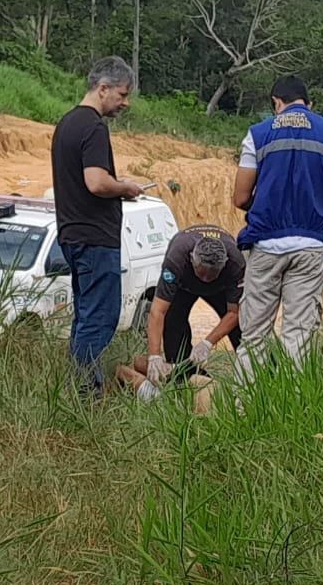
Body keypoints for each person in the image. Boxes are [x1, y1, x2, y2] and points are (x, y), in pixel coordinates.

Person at [233, 76, 323, 366]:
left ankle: (244, 395)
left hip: (265, 244)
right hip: (311, 247)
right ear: (308, 104)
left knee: (253, 336)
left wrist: (265, 204)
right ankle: (293, 395)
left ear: (276, 102)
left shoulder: (257, 134)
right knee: (298, 336)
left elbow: (240, 197)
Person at [50, 57, 144, 394]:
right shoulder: (93, 127)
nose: (124, 102)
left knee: (86, 315)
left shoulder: (66, 123)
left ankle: (77, 387)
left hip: (72, 234)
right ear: (103, 88)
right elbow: (96, 182)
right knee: (100, 317)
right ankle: (86, 391)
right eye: (122, 94)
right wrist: (125, 187)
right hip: (95, 238)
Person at [138, 226, 246, 388]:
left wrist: (207, 343)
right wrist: (154, 355)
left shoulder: (236, 263)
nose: (205, 279)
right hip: (184, 286)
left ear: (224, 264)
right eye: (201, 273)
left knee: (243, 329)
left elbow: (234, 312)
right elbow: (158, 311)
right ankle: (184, 376)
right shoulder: (176, 259)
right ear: (191, 259)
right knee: (173, 324)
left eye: (211, 274)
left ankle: (256, 371)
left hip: (221, 289)